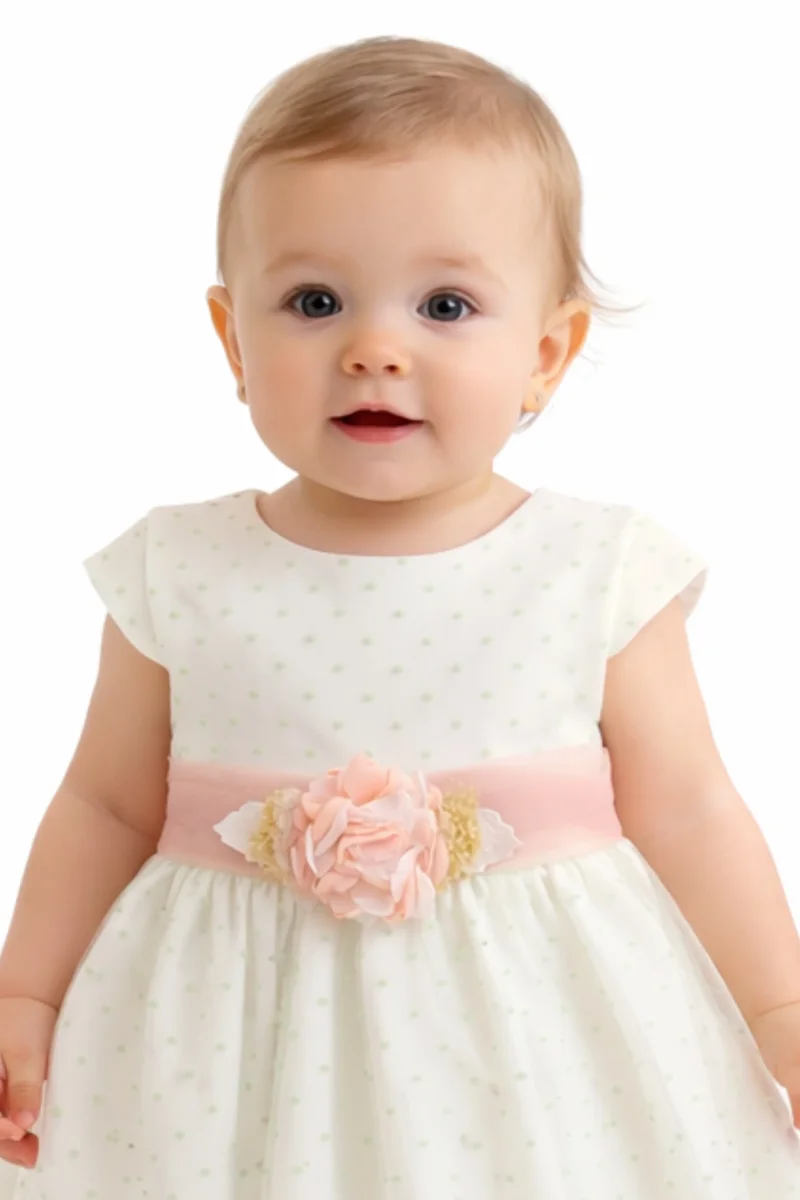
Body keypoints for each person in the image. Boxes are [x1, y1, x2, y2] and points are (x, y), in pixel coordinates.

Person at [1, 34, 800, 1200]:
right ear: (232, 339)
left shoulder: (594, 568)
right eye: (314, 301)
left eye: (445, 305)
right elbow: (106, 804)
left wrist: (779, 1007)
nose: (374, 350)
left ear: (545, 353)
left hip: (533, 1048)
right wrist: (27, 991)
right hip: (226, 1053)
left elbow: (687, 808)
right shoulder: (179, 568)